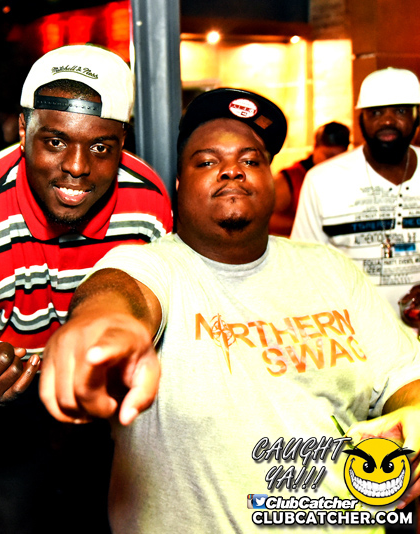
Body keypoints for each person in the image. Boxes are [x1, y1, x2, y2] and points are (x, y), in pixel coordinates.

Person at [40, 88, 420, 533]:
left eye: (251, 160)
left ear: (272, 181)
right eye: (206, 162)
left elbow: (403, 376)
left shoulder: (331, 269)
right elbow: (118, 293)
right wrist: (105, 327)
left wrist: (414, 413)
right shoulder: (157, 266)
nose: (232, 170)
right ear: (179, 186)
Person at [0, 44, 172, 533]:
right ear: (22, 131)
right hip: (6, 414)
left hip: (106, 398)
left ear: (122, 142)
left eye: (100, 147)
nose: (77, 167)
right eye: (55, 141)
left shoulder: (146, 205)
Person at [292, 68, 420, 328]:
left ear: (416, 115)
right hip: (354, 336)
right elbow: (303, 267)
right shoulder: (322, 180)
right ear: (360, 118)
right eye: (376, 112)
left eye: (400, 111)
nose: (387, 121)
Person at [269, 121, 350, 236]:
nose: (334, 163)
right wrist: (309, 225)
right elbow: (264, 219)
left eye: (341, 157)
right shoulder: (288, 179)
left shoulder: (346, 177)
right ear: (315, 147)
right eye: (329, 156)